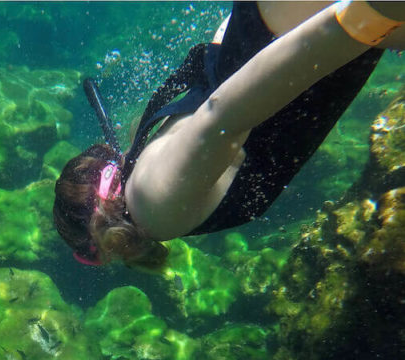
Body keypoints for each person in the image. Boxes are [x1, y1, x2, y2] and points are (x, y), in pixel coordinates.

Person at [53, 1, 405, 269]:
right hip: (276, 25)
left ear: (100, 237)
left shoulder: (152, 209)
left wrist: (361, 20)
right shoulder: (143, 156)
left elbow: (224, 114)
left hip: (302, 37)